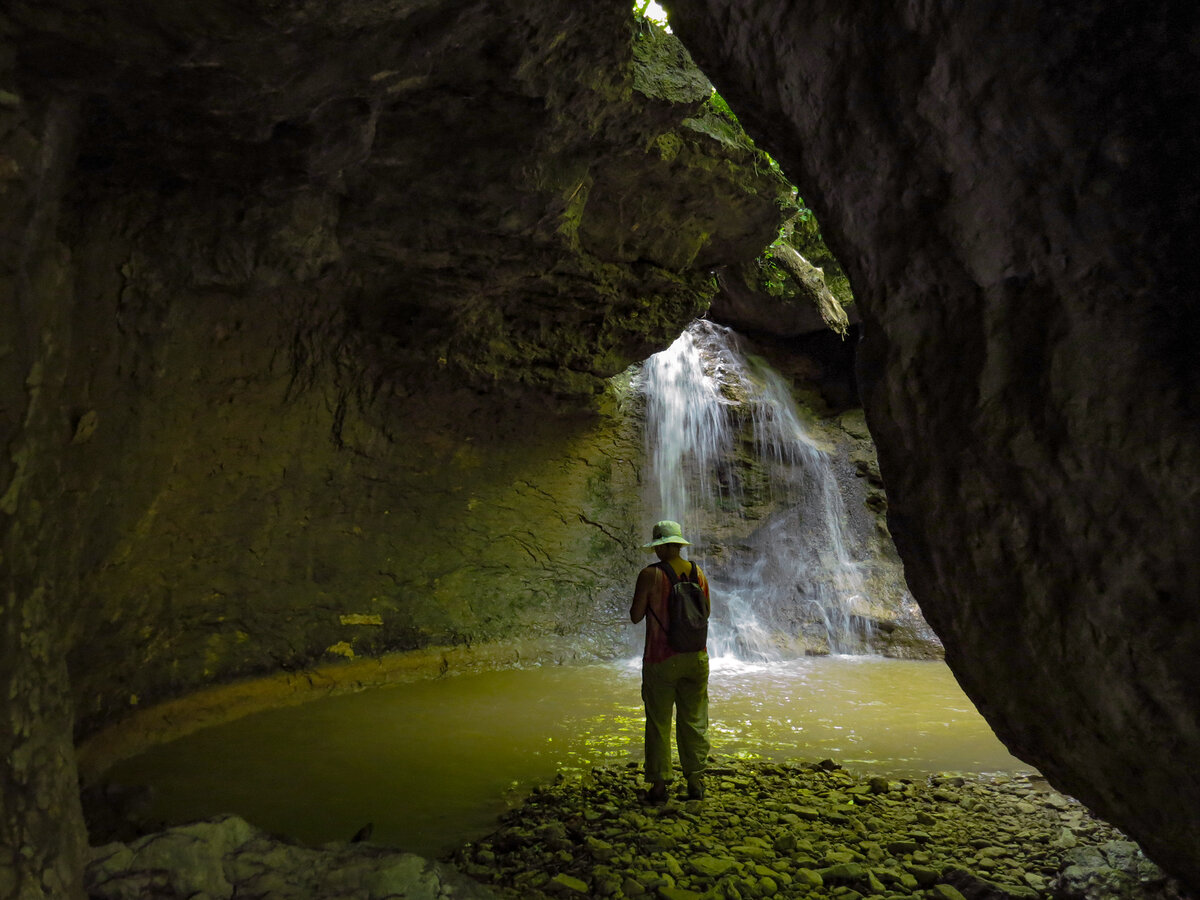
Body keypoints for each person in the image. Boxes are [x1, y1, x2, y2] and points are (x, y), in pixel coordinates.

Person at [630, 520, 711, 802]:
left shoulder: (650, 575)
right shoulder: (697, 573)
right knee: (695, 720)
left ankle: (660, 786)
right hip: (697, 657)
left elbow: (636, 615)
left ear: (661, 546)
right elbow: (706, 612)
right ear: (679, 544)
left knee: (659, 721)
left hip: (662, 658)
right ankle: (696, 782)